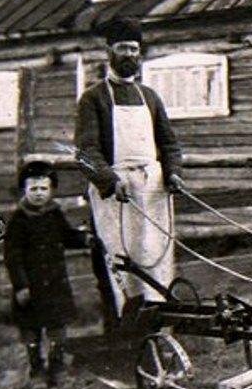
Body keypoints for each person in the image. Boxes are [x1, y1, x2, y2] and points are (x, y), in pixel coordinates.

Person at [74, 16, 185, 324]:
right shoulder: (93, 98)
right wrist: (109, 180)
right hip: (116, 194)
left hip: (153, 190)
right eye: (123, 48)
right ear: (110, 52)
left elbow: (169, 144)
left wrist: (173, 173)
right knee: (121, 260)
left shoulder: (149, 97)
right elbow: (85, 153)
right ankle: (125, 328)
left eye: (134, 49)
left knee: (156, 254)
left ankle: (161, 325)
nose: (129, 55)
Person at [4, 161, 93, 387]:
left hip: (55, 285)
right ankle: (36, 370)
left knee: (57, 331)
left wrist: (84, 239)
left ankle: (57, 368)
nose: (38, 194)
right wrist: (21, 286)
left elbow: (66, 236)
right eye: (33, 189)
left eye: (43, 189)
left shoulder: (55, 214)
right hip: (31, 287)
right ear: (24, 190)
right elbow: (12, 257)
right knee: (31, 333)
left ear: (51, 190)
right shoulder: (18, 220)